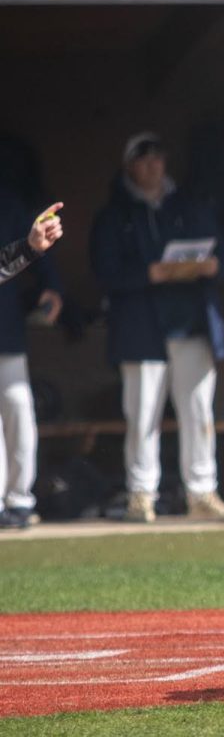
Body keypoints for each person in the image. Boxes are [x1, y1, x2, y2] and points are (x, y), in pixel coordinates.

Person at [90, 132, 224, 523]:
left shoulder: (188, 205)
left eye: (158, 157)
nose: (152, 165)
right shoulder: (114, 214)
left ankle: (202, 493)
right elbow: (104, 271)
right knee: (142, 417)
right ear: (129, 167)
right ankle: (141, 495)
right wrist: (148, 273)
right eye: (143, 159)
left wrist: (213, 265)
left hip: (191, 323)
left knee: (198, 413)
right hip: (142, 328)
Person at [0, 198, 64, 529]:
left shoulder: (8, 206)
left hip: (6, 332)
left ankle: (18, 501)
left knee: (18, 409)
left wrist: (29, 247)